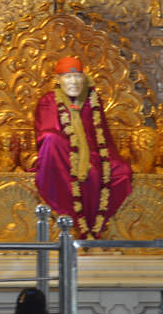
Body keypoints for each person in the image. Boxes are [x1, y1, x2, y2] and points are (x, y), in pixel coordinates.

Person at [33, 56, 132, 239]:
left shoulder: (92, 101)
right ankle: (71, 220)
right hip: (62, 154)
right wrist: (73, 151)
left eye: (78, 77)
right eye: (68, 77)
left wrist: (95, 156)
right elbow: (45, 133)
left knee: (122, 171)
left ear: (85, 79)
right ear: (58, 80)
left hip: (94, 152)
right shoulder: (48, 101)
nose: (74, 82)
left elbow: (102, 136)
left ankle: (99, 228)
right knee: (52, 140)